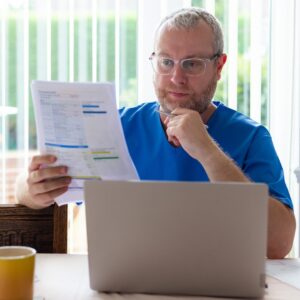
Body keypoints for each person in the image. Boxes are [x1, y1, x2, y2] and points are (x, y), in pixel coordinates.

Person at [16, 7, 295, 259]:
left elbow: (279, 244)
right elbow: (24, 191)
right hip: (124, 284)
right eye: (165, 62)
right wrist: (33, 188)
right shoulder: (115, 126)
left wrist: (208, 151)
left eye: (192, 63)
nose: (176, 78)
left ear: (219, 67)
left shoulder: (251, 137)